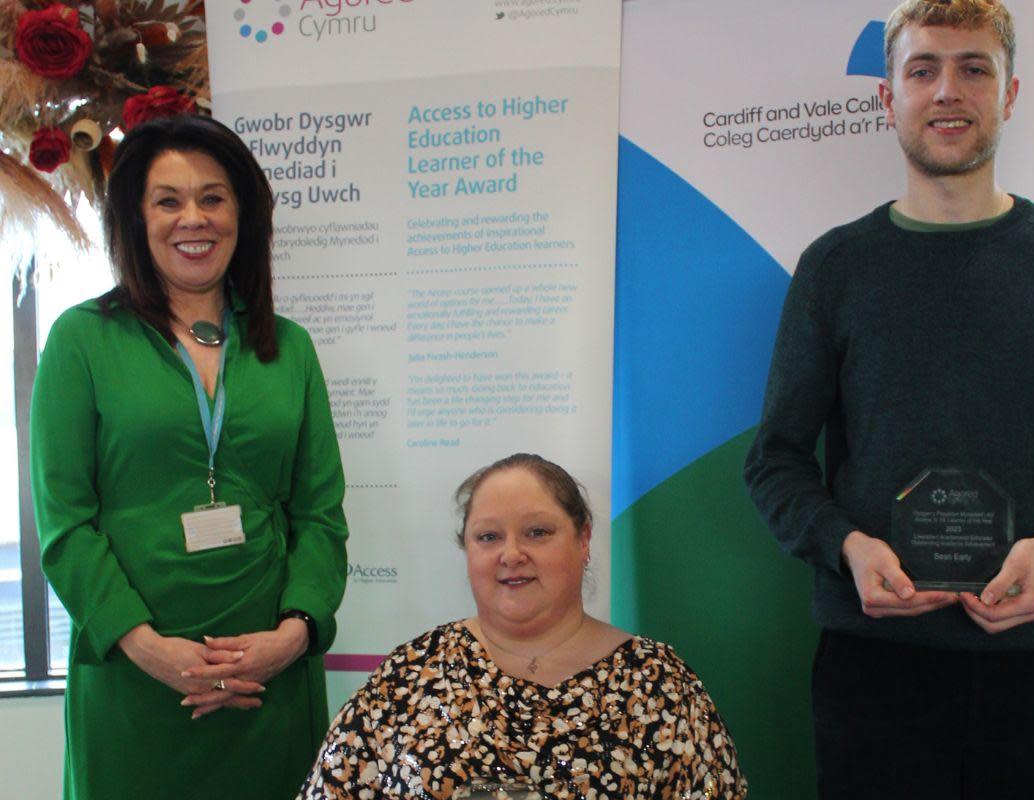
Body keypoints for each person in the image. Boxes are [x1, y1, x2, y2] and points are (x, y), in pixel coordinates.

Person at [743, 1, 1034, 798]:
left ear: (1009, 93)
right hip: (876, 675)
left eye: (974, 67)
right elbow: (774, 462)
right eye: (923, 69)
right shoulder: (835, 270)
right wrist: (846, 546)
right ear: (888, 99)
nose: (949, 91)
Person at [30, 114, 349, 800]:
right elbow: (65, 525)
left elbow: (320, 516)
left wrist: (291, 639)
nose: (192, 218)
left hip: (269, 681)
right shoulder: (81, 341)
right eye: (167, 200)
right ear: (136, 220)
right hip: (135, 680)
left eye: (213, 197)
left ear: (243, 214)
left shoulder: (287, 347)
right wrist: (148, 648)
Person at [298, 453, 747, 799]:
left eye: (537, 532)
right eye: (488, 537)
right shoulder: (410, 674)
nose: (511, 555)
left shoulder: (659, 683)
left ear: (583, 538)